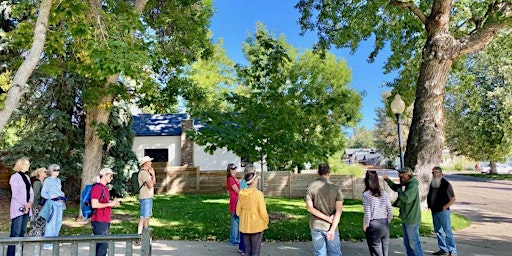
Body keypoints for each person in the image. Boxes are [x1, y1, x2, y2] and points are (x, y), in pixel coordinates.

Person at [382, 167, 423, 256]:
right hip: (407, 219)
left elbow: (406, 198)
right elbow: (396, 187)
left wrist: (400, 191)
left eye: (401, 174)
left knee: (414, 244)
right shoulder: (406, 184)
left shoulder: (412, 185)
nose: (399, 176)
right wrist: (386, 179)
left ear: (406, 174)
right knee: (408, 244)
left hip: (411, 219)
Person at [305, 164, 343, 256]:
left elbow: (310, 208)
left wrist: (326, 218)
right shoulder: (336, 188)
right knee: (335, 253)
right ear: (329, 173)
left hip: (317, 224)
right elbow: (339, 211)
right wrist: (332, 228)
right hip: (332, 225)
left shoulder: (310, 187)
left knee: (320, 253)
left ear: (318, 173)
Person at [91, 168, 122, 256]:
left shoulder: (104, 188)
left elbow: (103, 203)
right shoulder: (97, 187)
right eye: (110, 176)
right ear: (104, 176)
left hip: (104, 220)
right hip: (99, 220)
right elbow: (94, 204)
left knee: (102, 246)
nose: (112, 178)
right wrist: (109, 204)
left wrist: (112, 203)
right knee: (102, 246)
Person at [236, 171, 269, 256]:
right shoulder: (258, 194)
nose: (257, 181)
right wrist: (266, 221)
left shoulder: (241, 193)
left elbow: (237, 211)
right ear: (253, 181)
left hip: (244, 225)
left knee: (247, 250)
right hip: (256, 224)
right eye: (256, 179)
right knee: (255, 250)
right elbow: (263, 212)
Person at [428, 167, 457, 256]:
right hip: (434, 210)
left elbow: (453, 198)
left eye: (436, 172)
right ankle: (443, 249)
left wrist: (445, 207)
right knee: (438, 231)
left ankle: (452, 251)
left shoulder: (446, 184)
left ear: (441, 173)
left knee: (447, 231)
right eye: (433, 173)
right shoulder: (433, 184)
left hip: (443, 211)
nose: (435, 174)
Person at [7, 157, 34, 256]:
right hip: (18, 208)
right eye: (26, 164)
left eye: (28, 164)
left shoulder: (27, 177)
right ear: (20, 165)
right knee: (15, 233)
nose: (28, 166)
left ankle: (19, 253)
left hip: (27, 208)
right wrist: (25, 204)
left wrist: (30, 203)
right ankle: (11, 254)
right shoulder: (14, 177)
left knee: (22, 232)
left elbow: (31, 192)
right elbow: (15, 194)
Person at [363, 170, 393, 256]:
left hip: (374, 225)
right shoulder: (384, 193)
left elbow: (367, 213)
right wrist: (388, 221)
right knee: (385, 252)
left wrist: (365, 225)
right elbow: (390, 210)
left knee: (376, 252)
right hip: (384, 224)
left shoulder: (366, 195)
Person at [41, 164, 67, 250]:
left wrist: (62, 195)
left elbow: (59, 191)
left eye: (58, 170)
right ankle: (48, 244)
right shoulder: (47, 181)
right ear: (51, 171)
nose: (57, 171)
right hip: (52, 204)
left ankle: (55, 241)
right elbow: (43, 193)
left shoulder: (58, 180)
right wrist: (50, 197)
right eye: (55, 170)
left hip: (60, 204)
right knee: (51, 223)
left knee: (58, 222)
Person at [136, 156, 156, 245]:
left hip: (148, 197)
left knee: (147, 216)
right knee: (143, 217)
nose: (151, 163)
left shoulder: (147, 173)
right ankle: (139, 238)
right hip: (145, 197)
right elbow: (150, 185)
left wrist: (152, 175)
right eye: (149, 162)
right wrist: (153, 174)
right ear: (145, 163)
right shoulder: (143, 173)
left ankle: (145, 236)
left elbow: (153, 183)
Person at [237, 164, 256, 255]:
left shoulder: (242, 181)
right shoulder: (248, 182)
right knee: (247, 231)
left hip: (243, 208)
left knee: (243, 229)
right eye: (254, 171)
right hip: (248, 208)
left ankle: (242, 247)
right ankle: (245, 249)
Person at [29, 167, 48, 237]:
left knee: (42, 221)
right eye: (44, 172)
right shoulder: (37, 182)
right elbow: (36, 194)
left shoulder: (43, 182)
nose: (46, 173)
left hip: (42, 205)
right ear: (40, 173)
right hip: (37, 205)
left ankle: (39, 235)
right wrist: (45, 196)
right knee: (36, 220)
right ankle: (34, 235)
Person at [226, 163, 241, 246]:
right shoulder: (231, 179)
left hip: (238, 200)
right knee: (235, 220)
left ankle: (237, 238)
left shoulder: (234, 178)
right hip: (235, 201)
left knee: (237, 220)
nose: (236, 169)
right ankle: (234, 239)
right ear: (230, 170)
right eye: (234, 168)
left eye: (236, 167)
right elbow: (237, 191)